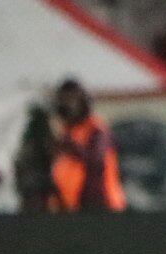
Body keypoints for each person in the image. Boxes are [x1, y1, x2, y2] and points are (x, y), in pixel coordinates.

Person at [49, 78, 125, 213]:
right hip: (72, 206)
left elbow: (96, 160)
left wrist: (70, 146)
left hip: (101, 205)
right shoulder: (66, 133)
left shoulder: (96, 130)